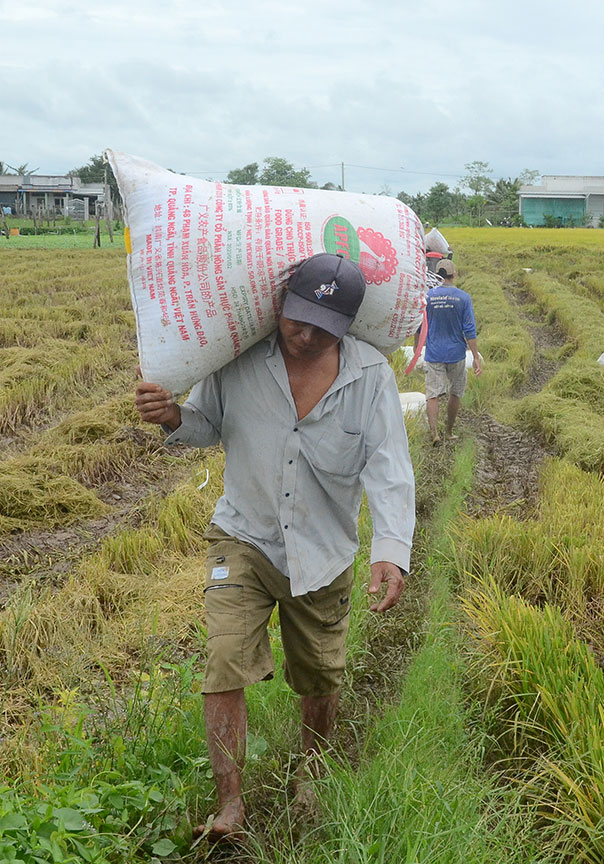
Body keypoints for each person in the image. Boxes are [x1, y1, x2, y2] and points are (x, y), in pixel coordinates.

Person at [133, 252, 414, 842]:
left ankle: (311, 769)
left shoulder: (370, 378)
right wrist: (171, 417)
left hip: (325, 550)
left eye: (323, 326)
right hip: (243, 536)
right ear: (281, 304)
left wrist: (390, 548)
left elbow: (389, 468)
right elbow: (205, 424)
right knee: (223, 662)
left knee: (317, 675)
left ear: (346, 326)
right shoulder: (237, 360)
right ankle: (229, 803)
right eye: (298, 318)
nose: (304, 334)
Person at [423, 259, 483, 445]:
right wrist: (475, 356)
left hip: (434, 352)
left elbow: (420, 324)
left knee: (432, 394)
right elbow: (469, 330)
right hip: (456, 352)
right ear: (454, 275)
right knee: (455, 392)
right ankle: (448, 431)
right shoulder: (463, 298)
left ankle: (434, 434)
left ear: (437, 275)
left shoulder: (428, 296)